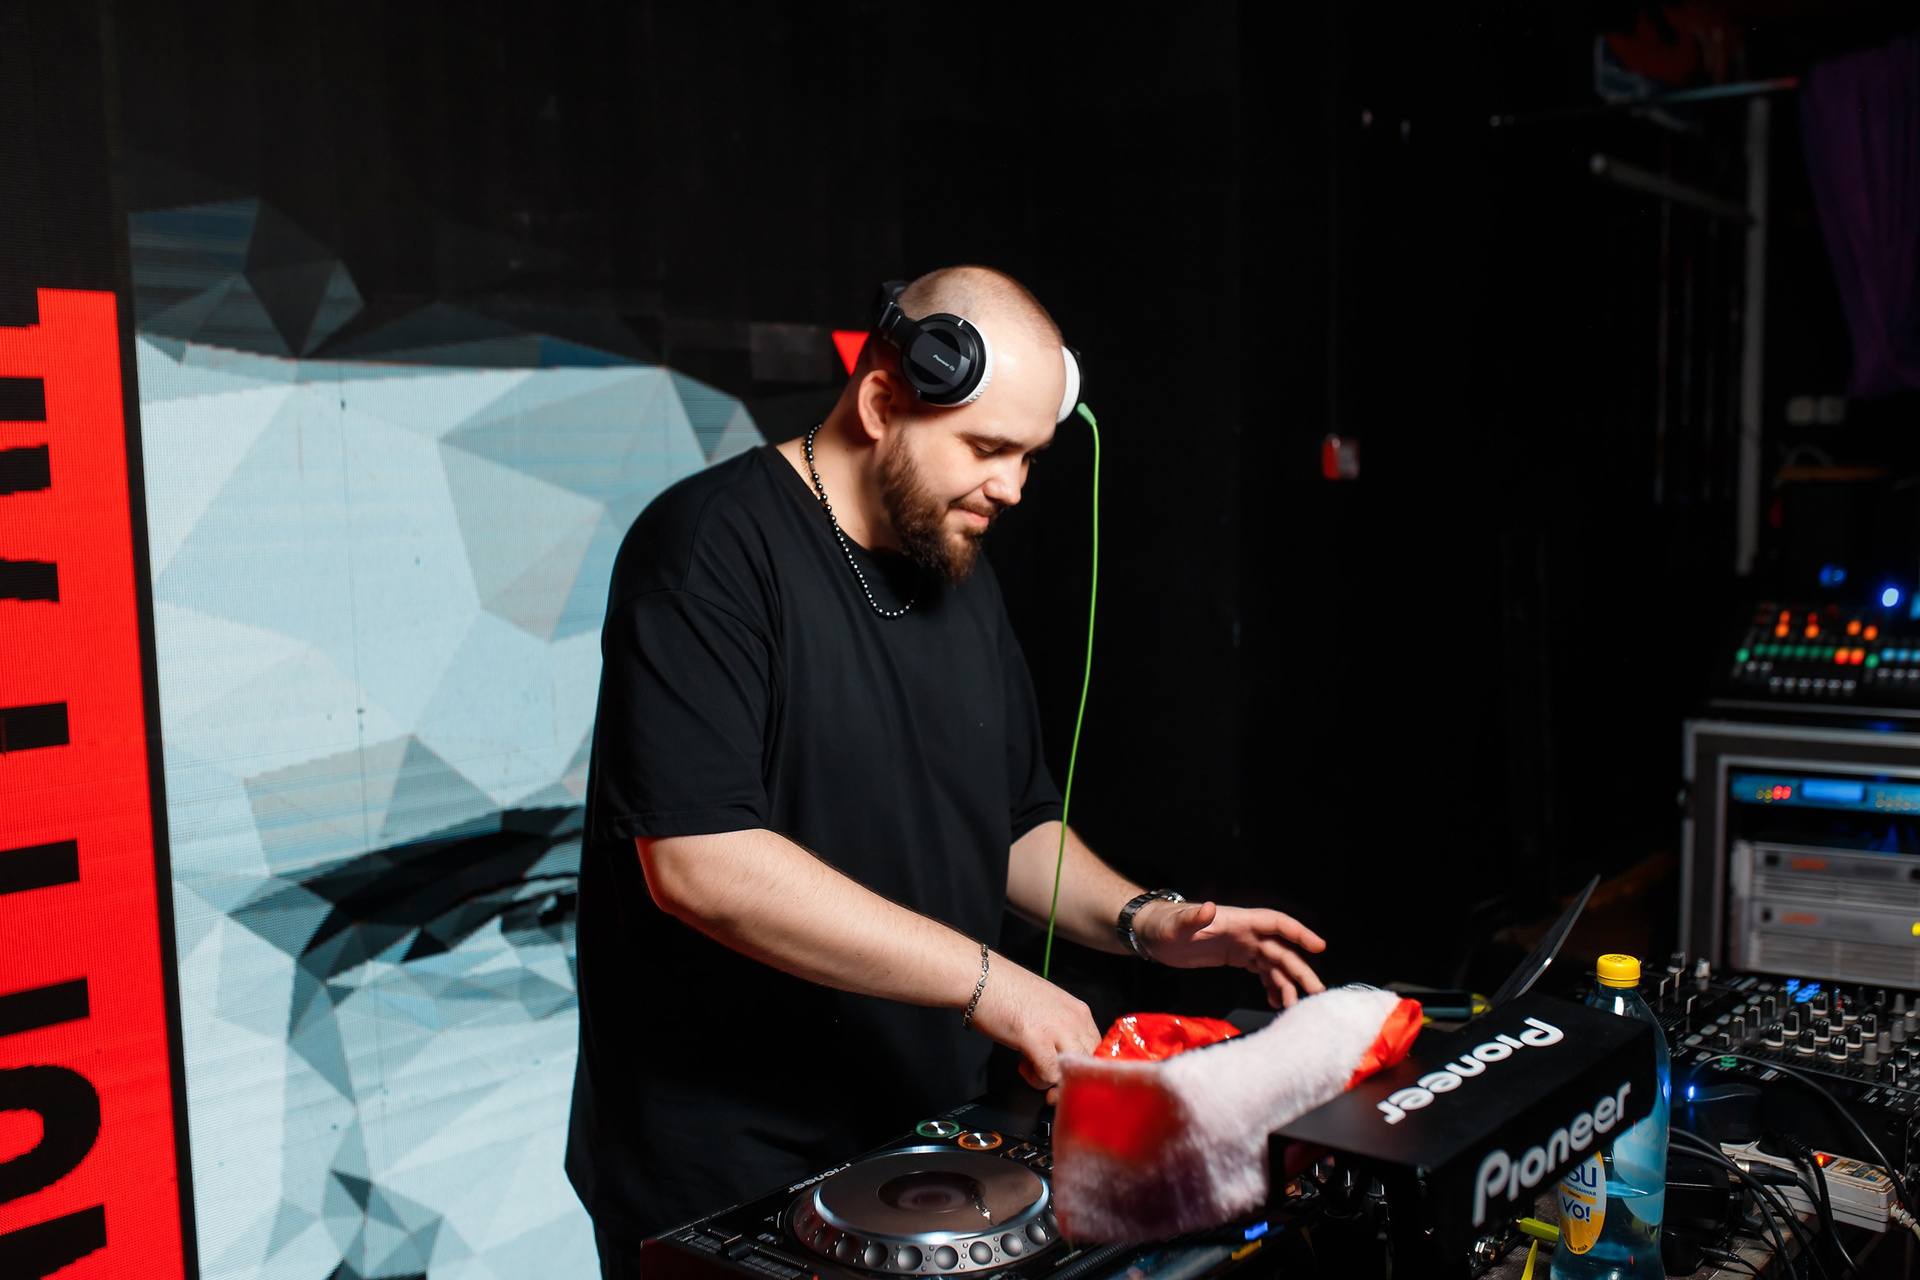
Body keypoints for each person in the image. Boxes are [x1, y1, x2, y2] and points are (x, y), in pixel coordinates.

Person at [565, 266, 1328, 1276]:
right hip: (727, 1173)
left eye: (1030, 456)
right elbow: (703, 863)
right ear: (883, 400)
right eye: (987, 448)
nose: (1013, 487)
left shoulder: (956, 567)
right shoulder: (707, 550)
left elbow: (1013, 826)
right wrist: (991, 984)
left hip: (922, 1142)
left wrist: (1150, 920)